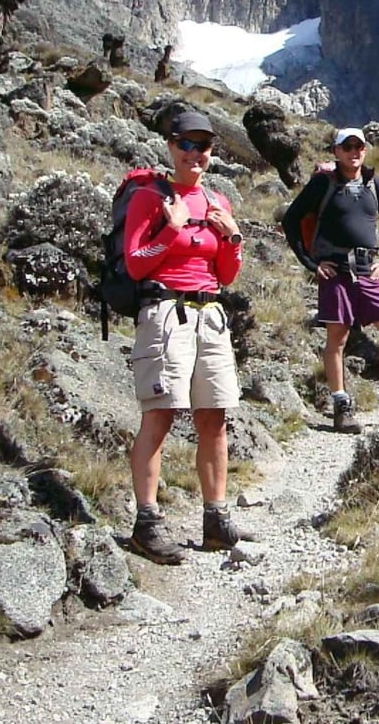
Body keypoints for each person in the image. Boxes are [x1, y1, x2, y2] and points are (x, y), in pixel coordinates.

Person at [123, 110, 250, 564]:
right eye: (187, 145)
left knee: (214, 417)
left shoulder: (217, 201)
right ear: (170, 146)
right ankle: (147, 521)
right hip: (164, 313)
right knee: (160, 415)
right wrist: (172, 228)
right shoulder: (148, 197)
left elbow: (226, 275)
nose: (196, 154)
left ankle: (215, 518)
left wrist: (231, 237)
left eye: (205, 146)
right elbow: (137, 263)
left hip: (210, 313)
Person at [281, 127, 379, 432]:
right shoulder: (323, 184)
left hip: (367, 269)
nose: (354, 152)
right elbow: (291, 219)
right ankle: (341, 404)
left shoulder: (372, 182)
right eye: (347, 147)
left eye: (359, 147)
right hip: (335, 270)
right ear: (336, 151)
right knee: (337, 338)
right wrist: (311, 263)